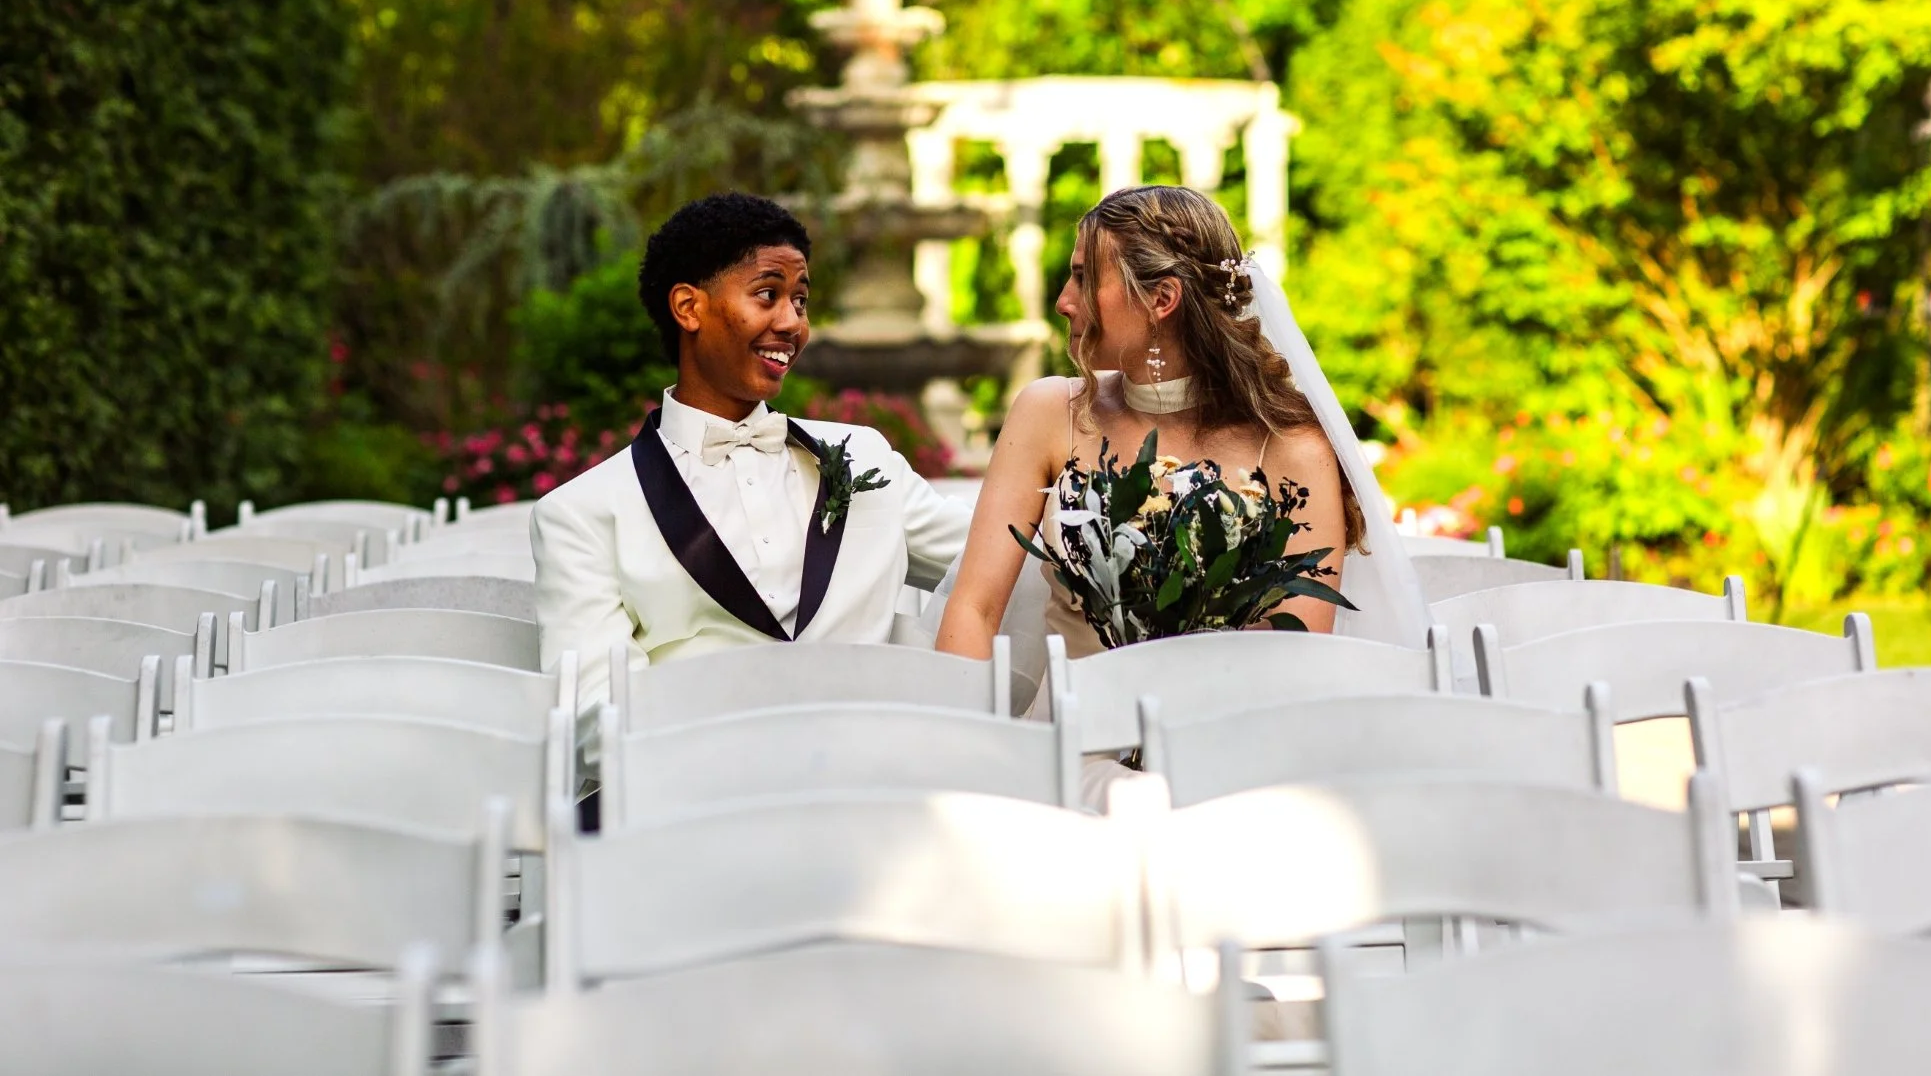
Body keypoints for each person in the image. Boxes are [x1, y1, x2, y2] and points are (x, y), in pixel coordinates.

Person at [936, 185, 1428, 669]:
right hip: (1066, 734)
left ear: (1161, 299)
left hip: (1222, 737)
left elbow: (1294, 660)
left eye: (1084, 279)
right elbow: (973, 611)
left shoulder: (1292, 449)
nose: (1064, 301)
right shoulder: (1050, 412)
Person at [532, 193, 972, 718]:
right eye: (768, 294)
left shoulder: (863, 458)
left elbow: (1006, 561)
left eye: (801, 301)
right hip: (698, 788)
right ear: (688, 307)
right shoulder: (581, 515)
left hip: (876, 776)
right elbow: (595, 716)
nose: (793, 324)